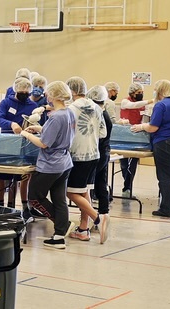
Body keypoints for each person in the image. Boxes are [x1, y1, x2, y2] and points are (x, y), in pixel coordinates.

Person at [22, 81, 76, 249]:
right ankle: (59, 236)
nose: (46, 96)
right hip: (65, 162)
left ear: (53, 95)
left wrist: (27, 134)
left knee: (35, 197)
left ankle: (63, 224)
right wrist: (40, 128)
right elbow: (57, 133)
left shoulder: (55, 117)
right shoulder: (69, 113)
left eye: (48, 93)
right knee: (59, 200)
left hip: (50, 165)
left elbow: (44, 144)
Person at [131, 80, 170, 218]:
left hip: (165, 142)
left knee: (164, 176)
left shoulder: (161, 105)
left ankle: (166, 209)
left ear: (160, 90)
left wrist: (141, 127)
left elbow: (153, 127)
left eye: (155, 89)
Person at [63, 77, 106, 242]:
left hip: (77, 155)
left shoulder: (71, 109)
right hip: (93, 154)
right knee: (84, 191)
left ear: (71, 91)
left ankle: (97, 218)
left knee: (70, 192)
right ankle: (83, 229)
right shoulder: (96, 107)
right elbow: (103, 133)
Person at [0, 78, 39, 208]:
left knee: (18, 176)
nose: (24, 93)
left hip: (23, 144)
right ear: (15, 90)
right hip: (6, 143)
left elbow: (36, 122)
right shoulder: (6, 102)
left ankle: (12, 205)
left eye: (27, 91)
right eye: (21, 91)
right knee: (1, 174)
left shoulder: (32, 106)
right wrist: (11, 124)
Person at [87, 85, 114, 244]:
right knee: (101, 184)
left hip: (97, 153)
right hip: (103, 153)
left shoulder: (100, 116)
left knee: (90, 186)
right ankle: (104, 212)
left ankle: (94, 217)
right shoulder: (103, 114)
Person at [118, 83, 149, 197]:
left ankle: (128, 186)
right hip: (124, 133)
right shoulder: (125, 102)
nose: (141, 94)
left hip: (137, 133)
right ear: (132, 93)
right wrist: (149, 101)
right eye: (138, 93)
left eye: (142, 92)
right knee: (124, 162)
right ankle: (127, 182)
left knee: (134, 161)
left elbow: (145, 117)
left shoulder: (143, 105)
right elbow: (133, 106)